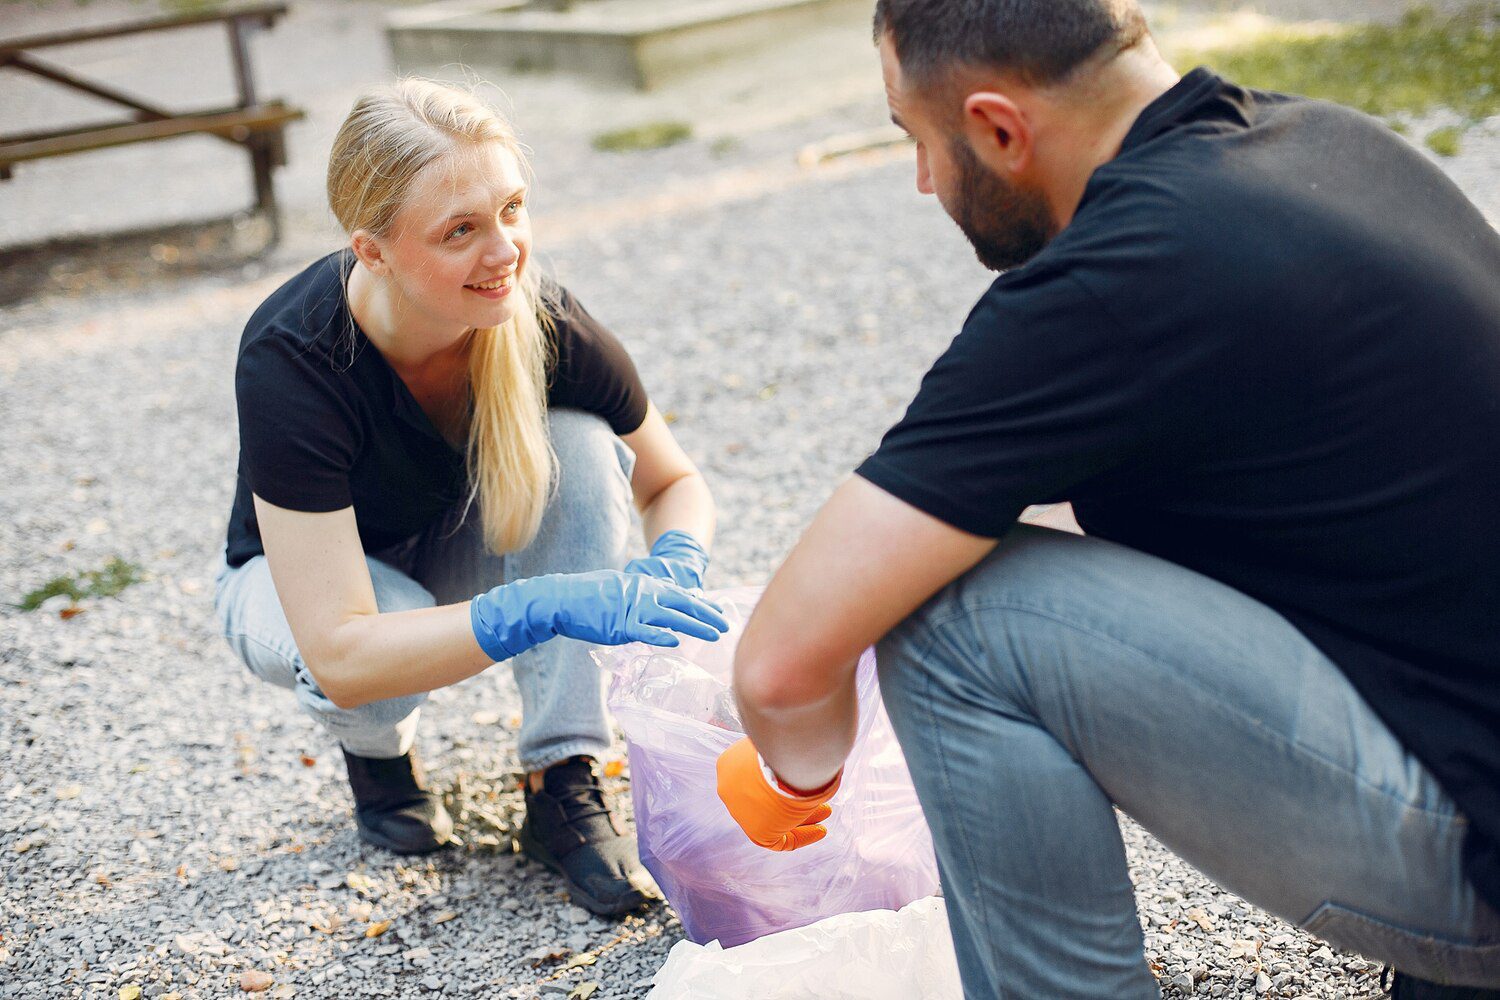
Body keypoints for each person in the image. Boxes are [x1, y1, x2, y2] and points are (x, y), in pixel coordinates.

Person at [714, 0, 1500, 995]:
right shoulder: (1328, 143)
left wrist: (798, 782)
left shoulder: (1111, 284)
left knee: (952, 618)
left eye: (916, 138)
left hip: (1476, 855)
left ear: (998, 129)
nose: (920, 178)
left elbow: (784, 666)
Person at [214, 78, 729, 917]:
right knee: (372, 676)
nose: (506, 252)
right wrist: (535, 606)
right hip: (299, 591)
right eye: (461, 230)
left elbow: (674, 481)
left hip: (450, 550)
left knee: (581, 443)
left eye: (513, 209)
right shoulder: (294, 357)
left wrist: (677, 559)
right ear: (371, 251)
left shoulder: (539, 315)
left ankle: (561, 777)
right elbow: (343, 647)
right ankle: (378, 756)